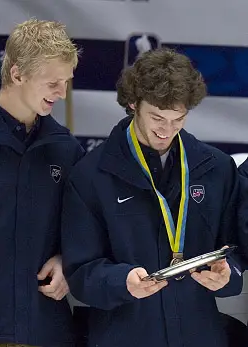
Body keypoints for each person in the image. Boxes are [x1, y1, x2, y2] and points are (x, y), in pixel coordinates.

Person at [62, 48, 243, 347]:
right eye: (157, 117)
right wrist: (122, 282)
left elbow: (234, 250)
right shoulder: (90, 176)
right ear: (133, 104)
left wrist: (228, 275)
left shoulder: (217, 168)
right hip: (124, 335)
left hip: (199, 334)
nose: (167, 130)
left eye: (178, 119)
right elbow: (81, 273)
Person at [0, 19, 84, 347]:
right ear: (18, 75)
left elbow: (83, 229)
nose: (62, 94)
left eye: (66, 82)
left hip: (43, 330)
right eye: (52, 83)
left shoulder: (65, 149)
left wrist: (68, 259)